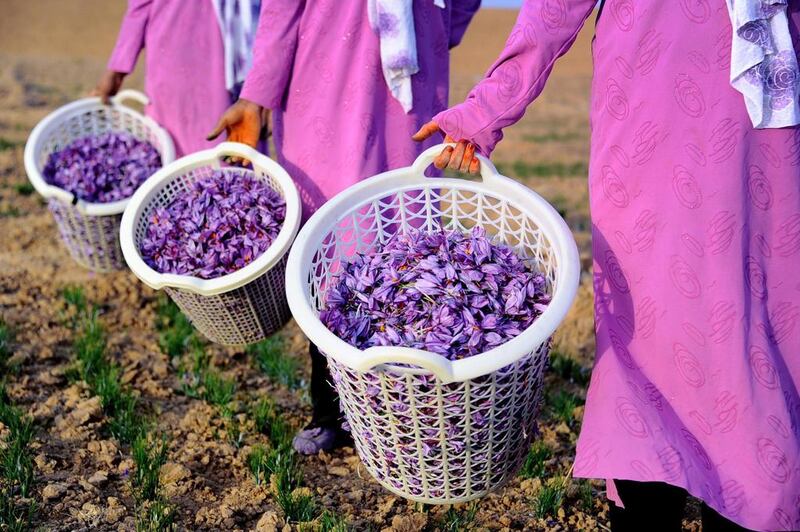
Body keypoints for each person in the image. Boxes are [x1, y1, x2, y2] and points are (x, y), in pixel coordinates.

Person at [413, 1, 800, 530]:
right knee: (650, 329)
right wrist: (484, 111)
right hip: (654, 113)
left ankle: (752, 497)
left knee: (758, 320)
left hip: (767, 116)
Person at [209, 0, 481, 454]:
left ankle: (404, 411)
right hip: (326, 78)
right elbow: (282, 9)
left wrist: (435, 29)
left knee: (404, 247)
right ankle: (332, 409)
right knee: (329, 242)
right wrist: (256, 97)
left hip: (411, 83)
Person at [94, 0, 263, 156]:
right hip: (181, 47)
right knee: (179, 145)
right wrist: (117, 69)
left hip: (210, 43)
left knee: (229, 139)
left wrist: (116, 71)